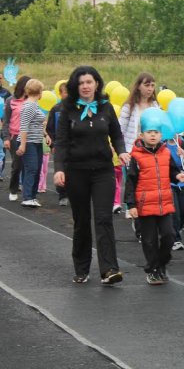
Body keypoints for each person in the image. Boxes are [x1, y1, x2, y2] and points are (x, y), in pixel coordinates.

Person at [54, 65, 129, 284]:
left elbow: (116, 134)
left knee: (104, 218)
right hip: (76, 171)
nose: (86, 86)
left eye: (89, 82)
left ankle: (109, 269)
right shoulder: (67, 109)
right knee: (82, 220)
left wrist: (122, 151)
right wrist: (59, 168)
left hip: (103, 171)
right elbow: (61, 141)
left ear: (97, 83)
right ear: (75, 86)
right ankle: (82, 267)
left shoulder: (106, 108)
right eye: (81, 83)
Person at [125, 110, 182, 285]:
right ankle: (153, 269)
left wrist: (178, 176)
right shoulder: (136, 156)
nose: (153, 135)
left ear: (160, 135)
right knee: (149, 241)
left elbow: (172, 171)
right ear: (142, 135)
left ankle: (161, 263)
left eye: (156, 132)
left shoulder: (166, 153)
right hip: (145, 205)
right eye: (149, 132)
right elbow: (131, 181)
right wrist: (131, 205)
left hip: (164, 203)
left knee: (169, 236)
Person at [119, 73, 158, 236]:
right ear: (138, 86)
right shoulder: (129, 106)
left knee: (149, 185)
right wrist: (122, 151)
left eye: (152, 85)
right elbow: (120, 130)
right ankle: (135, 214)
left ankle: (148, 218)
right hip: (133, 151)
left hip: (152, 152)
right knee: (134, 184)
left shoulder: (155, 105)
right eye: (146, 85)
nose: (150, 89)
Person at [16, 79, 49, 208]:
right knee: (32, 168)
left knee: (36, 168)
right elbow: (24, 126)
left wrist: (46, 135)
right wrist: (23, 145)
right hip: (29, 142)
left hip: (36, 141)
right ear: (39, 92)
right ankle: (27, 197)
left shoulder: (34, 105)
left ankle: (32, 196)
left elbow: (36, 123)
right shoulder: (29, 106)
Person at [2, 75, 30, 201]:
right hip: (15, 137)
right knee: (17, 165)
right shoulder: (10, 100)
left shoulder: (32, 100)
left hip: (30, 137)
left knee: (30, 165)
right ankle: (13, 189)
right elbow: (6, 121)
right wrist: (6, 138)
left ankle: (28, 190)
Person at [167, 133, 184, 251]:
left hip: (183, 184)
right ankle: (175, 239)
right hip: (169, 184)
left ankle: (175, 230)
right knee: (175, 214)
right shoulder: (162, 147)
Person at [46, 82, 69, 206]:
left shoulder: (77, 108)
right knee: (60, 169)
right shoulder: (56, 109)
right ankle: (62, 195)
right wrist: (53, 145)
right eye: (66, 92)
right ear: (60, 94)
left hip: (74, 146)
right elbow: (50, 129)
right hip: (60, 145)